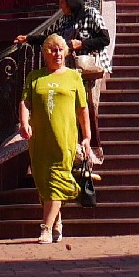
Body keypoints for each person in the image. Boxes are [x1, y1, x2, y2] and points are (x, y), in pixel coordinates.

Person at [18, 31, 94, 244]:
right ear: (45, 53)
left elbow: (82, 109)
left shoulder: (74, 76)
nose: (57, 53)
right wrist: (24, 122)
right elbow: (25, 102)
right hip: (40, 140)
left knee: (57, 179)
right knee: (44, 184)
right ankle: (57, 223)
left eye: (61, 50)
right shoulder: (35, 77)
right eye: (52, 50)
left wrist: (86, 137)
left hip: (64, 140)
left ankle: (46, 228)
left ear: (66, 53)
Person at [27, 0, 112, 156]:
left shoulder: (91, 13)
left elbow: (105, 39)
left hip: (89, 70)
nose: (61, 7)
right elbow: (52, 39)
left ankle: (93, 146)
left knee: (88, 105)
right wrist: (29, 39)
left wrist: (82, 44)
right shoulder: (67, 20)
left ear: (71, 2)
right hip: (72, 71)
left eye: (63, 3)